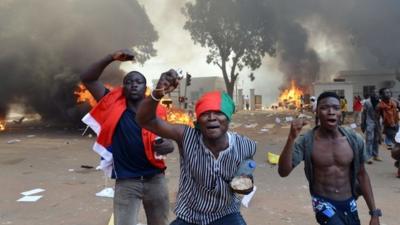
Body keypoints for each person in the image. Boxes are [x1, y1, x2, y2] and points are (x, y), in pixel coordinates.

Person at [136, 70, 256, 225]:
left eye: (219, 113)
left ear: (228, 118)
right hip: (189, 216)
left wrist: (245, 185)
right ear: (199, 120)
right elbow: (144, 120)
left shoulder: (245, 146)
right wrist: (158, 93)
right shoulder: (186, 136)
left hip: (226, 214)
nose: (212, 117)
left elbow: (244, 182)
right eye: (206, 114)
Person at [80, 49, 174, 225]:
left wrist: (169, 145)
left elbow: (169, 139)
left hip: (155, 180)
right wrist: (110, 57)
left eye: (138, 82)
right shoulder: (111, 103)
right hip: (126, 182)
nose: (134, 84)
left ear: (145, 88)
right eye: (129, 82)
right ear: (124, 87)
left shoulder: (157, 111)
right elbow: (88, 78)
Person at [278, 92, 380, 225]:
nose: (331, 112)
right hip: (323, 203)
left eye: (336, 108)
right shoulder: (307, 141)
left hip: (349, 201)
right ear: (317, 112)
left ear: (340, 112)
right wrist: (291, 138)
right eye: (325, 108)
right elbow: (283, 172)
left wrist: (374, 213)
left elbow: (362, 175)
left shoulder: (354, 140)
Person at [361, 93, 382, 163]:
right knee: (369, 139)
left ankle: (375, 155)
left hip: (378, 123)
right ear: (372, 96)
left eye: (378, 95)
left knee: (376, 139)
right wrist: (363, 123)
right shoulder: (367, 102)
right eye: (375, 95)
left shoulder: (380, 102)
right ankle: (368, 157)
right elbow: (363, 113)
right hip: (369, 122)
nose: (377, 96)